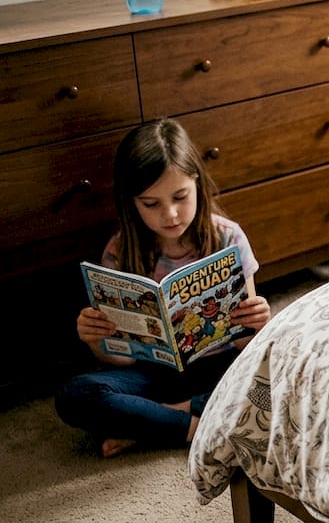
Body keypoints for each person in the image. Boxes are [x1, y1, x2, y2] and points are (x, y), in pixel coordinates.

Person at [55, 118, 271, 457]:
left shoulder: (228, 238)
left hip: (217, 366)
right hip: (153, 375)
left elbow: (246, 343)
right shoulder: (120, 250)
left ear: (197, 183)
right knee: (76, 395)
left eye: (180, 196)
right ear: (132, 202)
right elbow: (118, 360)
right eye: (151, 204)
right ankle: (196, 426)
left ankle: (151, 424)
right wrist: (96, 340)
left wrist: (257, 322)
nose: (170, 214)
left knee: (273, 374)